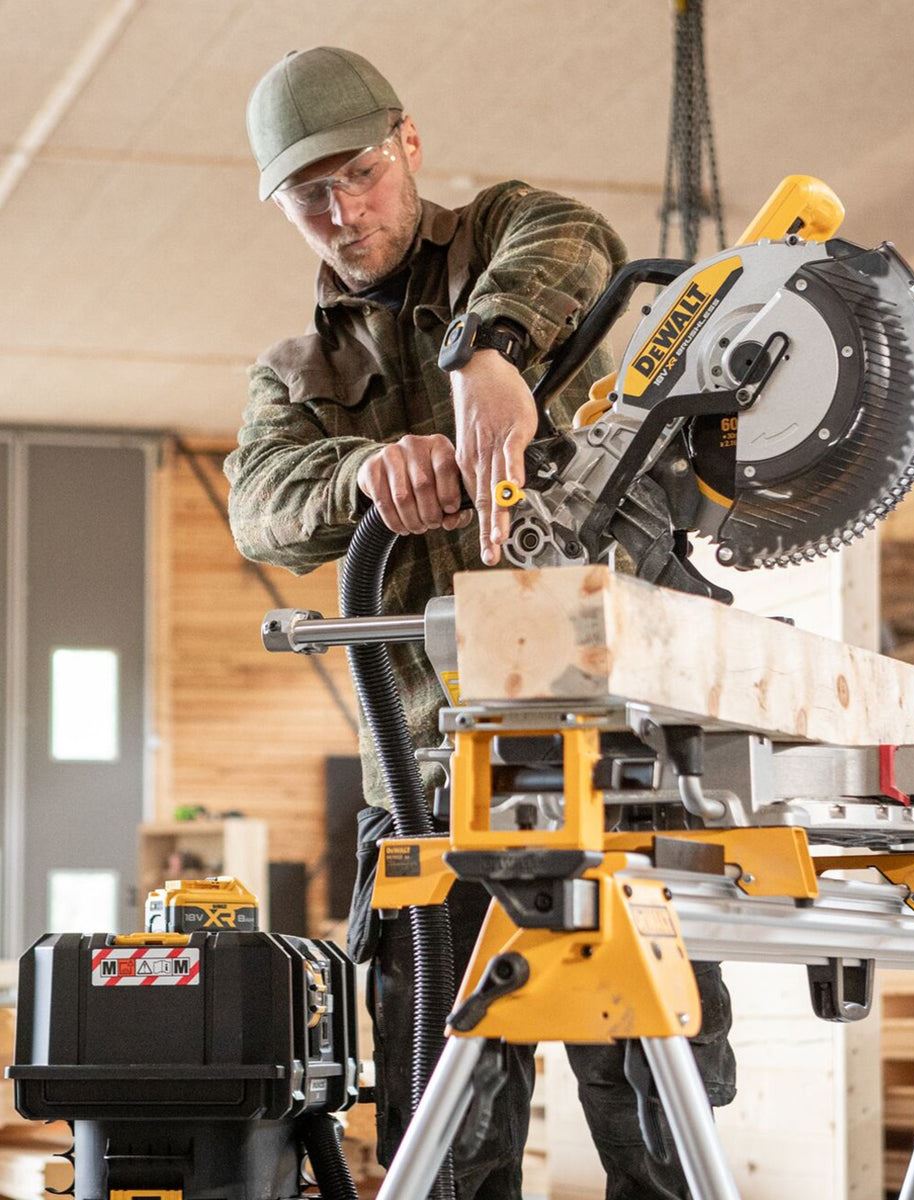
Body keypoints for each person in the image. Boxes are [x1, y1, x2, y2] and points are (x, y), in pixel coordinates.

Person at [226, 45, 735, 1200]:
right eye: (310, 196)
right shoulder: (294, 374)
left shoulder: (516, 233)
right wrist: (368, 475)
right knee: (444, 1130)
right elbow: (259, 508)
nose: (343, 213)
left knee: (662, 1115)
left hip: (617, 768)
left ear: (408, 143)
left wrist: (491, 354)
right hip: (429, 780)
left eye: (359, 173)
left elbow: (579, 240)